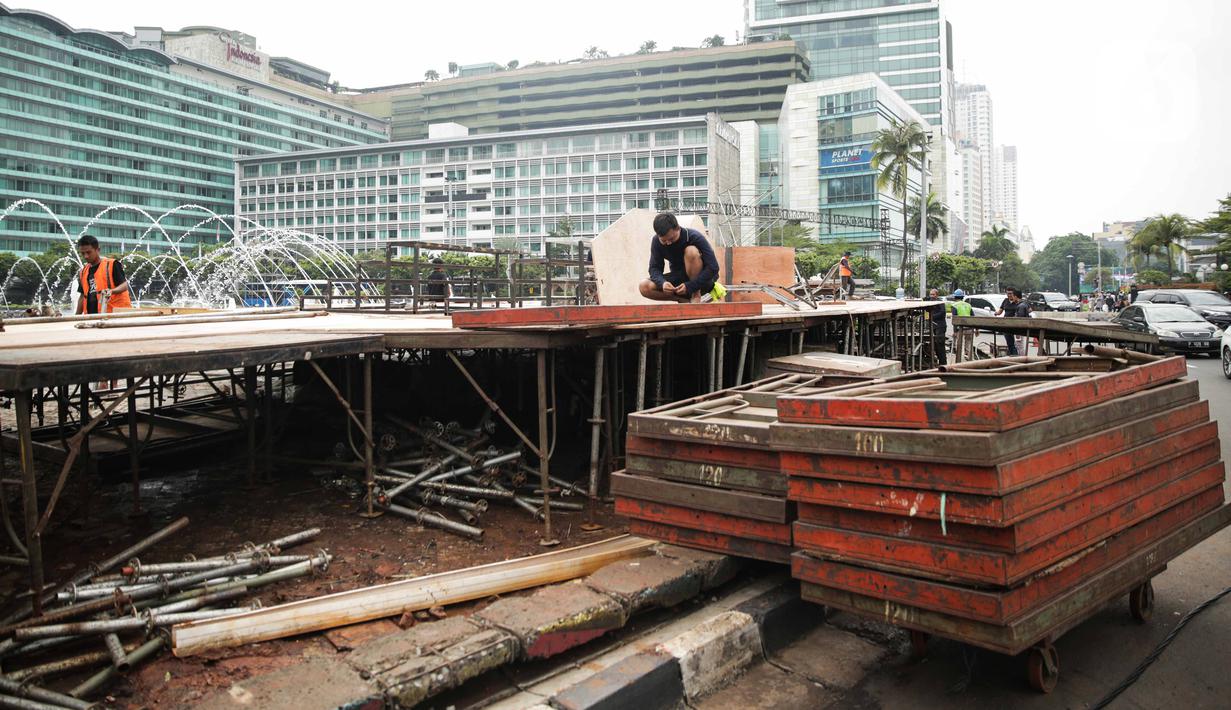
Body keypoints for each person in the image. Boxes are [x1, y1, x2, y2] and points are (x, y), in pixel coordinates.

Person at [638, 213, 721, 303]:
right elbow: (654, 268)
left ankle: (695, 294)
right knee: (644, 286)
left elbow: (713, 267)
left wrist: (691, 286)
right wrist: (662, 283)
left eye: (671, 239)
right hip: (678, 280)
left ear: (678, 228)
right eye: (664, 241)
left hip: (701, 282)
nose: (668, 243)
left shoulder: (694, 237)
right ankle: (682, 300)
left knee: (691, 251)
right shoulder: (656, 241)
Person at [75, 235, 130, 314]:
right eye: (83, 253)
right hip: (92, 317)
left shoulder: (112, 264)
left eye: (88, 252)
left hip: (114, 315)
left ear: (98, 250)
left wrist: (111, 291)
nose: (86, 256)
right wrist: (76, 317)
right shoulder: (84, 271)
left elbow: (124, 286)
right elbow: (82, 297)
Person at [996, 287, 1030, 355]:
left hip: (1016, 325)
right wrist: (996, 313)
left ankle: (1018, 358)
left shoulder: (1020, 304)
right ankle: (1013, 355)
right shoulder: (1005, 301)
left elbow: (1028, 310)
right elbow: (1000, 311)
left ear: (1015, 295)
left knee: (1018, 344)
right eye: (1007, 293)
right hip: (1007, 325)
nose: (1009, 295)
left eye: (1011, 294)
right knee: (1010, 343)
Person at [946, 289, 974, 362]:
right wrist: (976, 329)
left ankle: (958, 360)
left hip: (960, 329)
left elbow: (955, 319)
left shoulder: (954, 305)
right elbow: (973, 316)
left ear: (955, 297)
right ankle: (968, 357)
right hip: (969, 327)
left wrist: (955, 331)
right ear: (962, 297)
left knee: (959, 344)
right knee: (968, 343)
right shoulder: (968, 305)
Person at [925, 288, 947, 366]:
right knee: (934, 344)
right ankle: (936, 361)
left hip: (940, 326)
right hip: (933, 326)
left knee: (940, 344)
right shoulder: (929, 303)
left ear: (937, 295)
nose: (931, 296)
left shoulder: (940, 303)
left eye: (933, 294)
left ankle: (943, 363)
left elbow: (942, 312)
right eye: (930, 294)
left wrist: (931, 317)